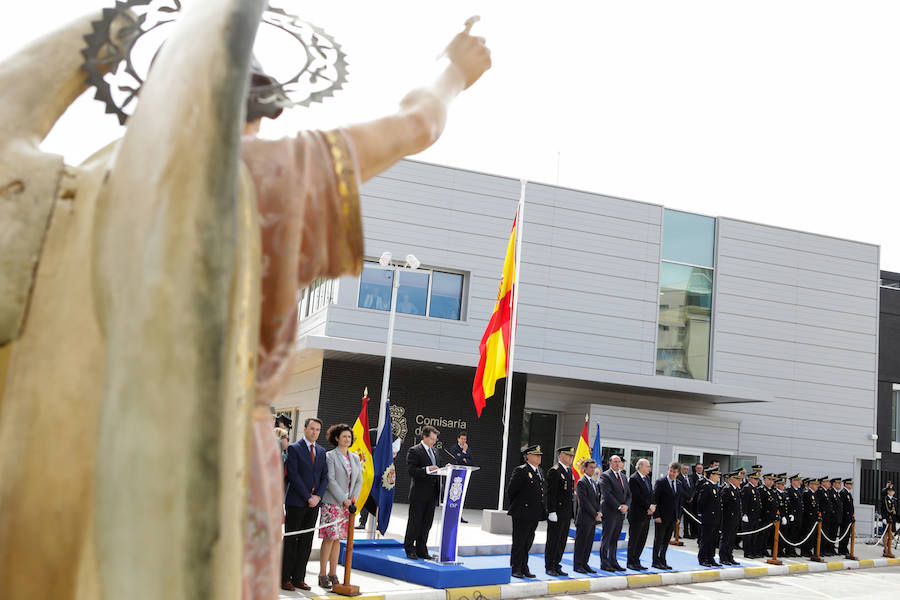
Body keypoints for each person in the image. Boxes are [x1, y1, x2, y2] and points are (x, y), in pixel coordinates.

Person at [281, 417, 328, 591]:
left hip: (314, 504)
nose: (314, 432)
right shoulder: (295, 448)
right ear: (305, 429)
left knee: (307, 541)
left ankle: (299, 578)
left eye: (317, 430)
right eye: (312, 429)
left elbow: (325, 477)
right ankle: (285, 577)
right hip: (296, 502)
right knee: (291, 540)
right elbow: (293, 475)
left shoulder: (322, 451)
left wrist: (318, 497)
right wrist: (308, 496)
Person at [318, 424, 363, 589]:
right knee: (329, 538)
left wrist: (352, 499)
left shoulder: (355, 458)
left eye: (349, 437)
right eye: (344, 436)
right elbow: (330, 479)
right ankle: (322, 574)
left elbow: (359, 480)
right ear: (337, 438)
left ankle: (333, 572)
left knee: (338, 540)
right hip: (332, 503)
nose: (347, 439)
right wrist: (343, 499)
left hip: (347, 505)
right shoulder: (330, 456)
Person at [507, 444, 547, 578]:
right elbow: (511, 490)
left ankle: (524, 567)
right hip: (522, 512)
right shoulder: (521, 470)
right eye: (536, 455)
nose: (539, 457)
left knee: (528, 542)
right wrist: (519, 506)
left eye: (540, 455)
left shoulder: (539, 471)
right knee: (519, 542)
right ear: (528, 457)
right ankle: (516, 567)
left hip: (534, 513)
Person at [405, 425, 443, 560]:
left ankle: (422, 549)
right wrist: (427, 469)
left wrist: (445, 469)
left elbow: (437, 470)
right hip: (419, 494)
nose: (434, 441)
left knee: (427, 523)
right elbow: (412, 471)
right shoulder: (414, 451)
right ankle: (409, 548)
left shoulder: (436, 452)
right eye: (431, 439)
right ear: (424, 437)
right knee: (415, 522)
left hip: (432, 494)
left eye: (435, 439)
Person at [544, 446, 575, 576]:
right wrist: (551, 511)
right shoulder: (555, 471)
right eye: (568, 455)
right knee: (553, 540)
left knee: (562, 541)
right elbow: (550, 494)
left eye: (572, 456)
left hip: (566, 513)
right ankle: (550, 565)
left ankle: (557, 564)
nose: (570, 458)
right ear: (561, 455)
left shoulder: (568, 471)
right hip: (556, 513)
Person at [597, 455, 631, 572]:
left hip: (621, 513)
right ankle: (604, 563)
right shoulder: (605, 476)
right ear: (610, 463)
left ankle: (613, 561)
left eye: (619, 461)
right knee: (607, 538)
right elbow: (607, 495)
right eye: (615, 462)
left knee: (615, 538)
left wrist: (626, 505)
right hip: (610, 511)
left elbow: (628, 494)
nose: (617, 464)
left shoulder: (623, 476)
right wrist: (619, 506)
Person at [651, 462, 682, 570]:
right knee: (658, 540)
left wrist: (678, 516)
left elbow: (678, 502)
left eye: (674, 472)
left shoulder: (678, 483)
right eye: (671, 471)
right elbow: (655, 499)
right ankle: (655, 561)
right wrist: (656, 515)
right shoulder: (661, 482)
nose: (672, 473)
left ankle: (662, 560)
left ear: (678, 473)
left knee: (666, 540)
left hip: (672, 517)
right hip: (661, 517)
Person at [573, 459, 601, 574]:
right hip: (584, 518)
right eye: (591, 467)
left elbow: (597, 500)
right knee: (581, 543)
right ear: (584, 468)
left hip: (593, 519)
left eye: (594, 468)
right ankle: (578, 565)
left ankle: (585, 563)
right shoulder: (581, 482)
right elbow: (584, 502)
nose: (593, 470)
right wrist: (595, 514)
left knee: (589, 543)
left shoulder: (594, 482)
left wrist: (599, 512)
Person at [626, 458, 655, 570]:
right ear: (640, 467)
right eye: (647, 466)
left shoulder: (647, 478)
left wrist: (652, 506)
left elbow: (651, 493)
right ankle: (631, 562)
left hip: (646, 514)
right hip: (637, 514)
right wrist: (648, 506)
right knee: (634, 539)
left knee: (642, 539)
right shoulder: (634, 479)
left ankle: (637, 560)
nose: (649, 468)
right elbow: (636, 496)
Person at [695, 467, 722, 567]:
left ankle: (711, 557)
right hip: (708, 517)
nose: (719, 476)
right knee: (706, 539)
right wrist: (701, 514)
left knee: (713, 540)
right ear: (712, 475)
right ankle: (702, 558)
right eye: (717, 475)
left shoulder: (715, 486)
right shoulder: (706, 486)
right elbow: (701, 502)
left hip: (715, 518)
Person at [448, 431, 475, 523]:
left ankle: (459, 515)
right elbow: (457, 459)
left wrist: (464, 458)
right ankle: (452, 514)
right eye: (462, 439)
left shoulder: (469, 449)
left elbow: (471, 462)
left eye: (465, 439)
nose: (463, 441)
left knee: (461, 495)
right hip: (455, 475)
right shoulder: (454, 448)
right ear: (458, 439)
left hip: (464, 474)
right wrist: (463, 453)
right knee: (454, 495)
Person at [718, 471, 742, 566]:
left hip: (735, 519)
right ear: (732, 479)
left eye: (739, 479)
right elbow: (722, 505)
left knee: (732, 539)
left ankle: (729, 556)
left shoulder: (736, 489)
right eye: (737, 479)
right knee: (726, 539)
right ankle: (723, 557)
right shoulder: (727, 489)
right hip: (728, 519)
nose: (739, 481)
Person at [740, 471, 761, 558]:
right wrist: (744, 514)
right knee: (748, 535)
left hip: (755, 516)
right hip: (748, 516)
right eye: (755, 479)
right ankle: (747, 552)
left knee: (754, 535)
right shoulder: (747, 488)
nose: (756, 481)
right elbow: (744, 503)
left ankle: (753, 551)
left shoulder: (755, 488)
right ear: (750, 479)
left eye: (757, 479)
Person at [782, 474, 803, 557]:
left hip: (798, 516)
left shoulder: (798, 490)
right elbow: (789, 503)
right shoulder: (789, 490)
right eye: (797, 481)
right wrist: (791, 514)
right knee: (790, 534)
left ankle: (793, 550)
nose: (799, 482)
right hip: (792, 516)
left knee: (795, 535)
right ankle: (788, 550)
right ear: (793, 481)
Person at [759, 474, 780, 557]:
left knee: (767, 535)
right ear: (764, 480)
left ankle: (764, 550)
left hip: (771, 517)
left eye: (772, 480)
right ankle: (759, 550)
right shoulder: (761, 490)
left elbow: (775, 504)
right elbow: (760, 505)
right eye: (769, 479)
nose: (771, 482)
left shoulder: (773, 491)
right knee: (761, 535)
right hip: (764, 516)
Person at [800, 478, 822, 557]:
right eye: (815, 485)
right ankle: (805, 550)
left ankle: (809, 550)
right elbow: (806, 507)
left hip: (814, 519)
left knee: (812, 535)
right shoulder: (807, 493)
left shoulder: (814, 494)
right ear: (811, 485)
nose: (817, 486)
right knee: (807, 534)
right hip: (808, 518)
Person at [816, 476, 835, 556]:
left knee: (826, 534)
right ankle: (819, 550)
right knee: (821, 534)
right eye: (827, 482)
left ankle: (823, 550)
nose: (829, 483)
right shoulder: (820, 491)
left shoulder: (826, 492)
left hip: (827, 516)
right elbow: (819, 504)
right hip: (823, 516)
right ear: (823, 483)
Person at [838, 478, 855, 556]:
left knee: (847, 534)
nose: (851, 485)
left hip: (849, 517)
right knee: (844, 533)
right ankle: (842, 548)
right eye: (849, 484)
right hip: (845, 517)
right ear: (845, 484)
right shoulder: (843, 493)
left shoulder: (848, 493)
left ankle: (844, 548)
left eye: (851, 484)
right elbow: (842, 507)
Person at [678, 463, 695, 539]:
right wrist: (688, 497)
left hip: (690, 502)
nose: (686, 470)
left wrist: (692, 497)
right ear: (681, 469)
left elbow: (693, 488)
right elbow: (681, 489)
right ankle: (676, 533)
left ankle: (686, 533)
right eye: (684, 469)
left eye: (687, 469)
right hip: (682, 501)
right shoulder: (679, 477)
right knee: (679, 517)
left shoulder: (690, 478)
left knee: (687, 518)